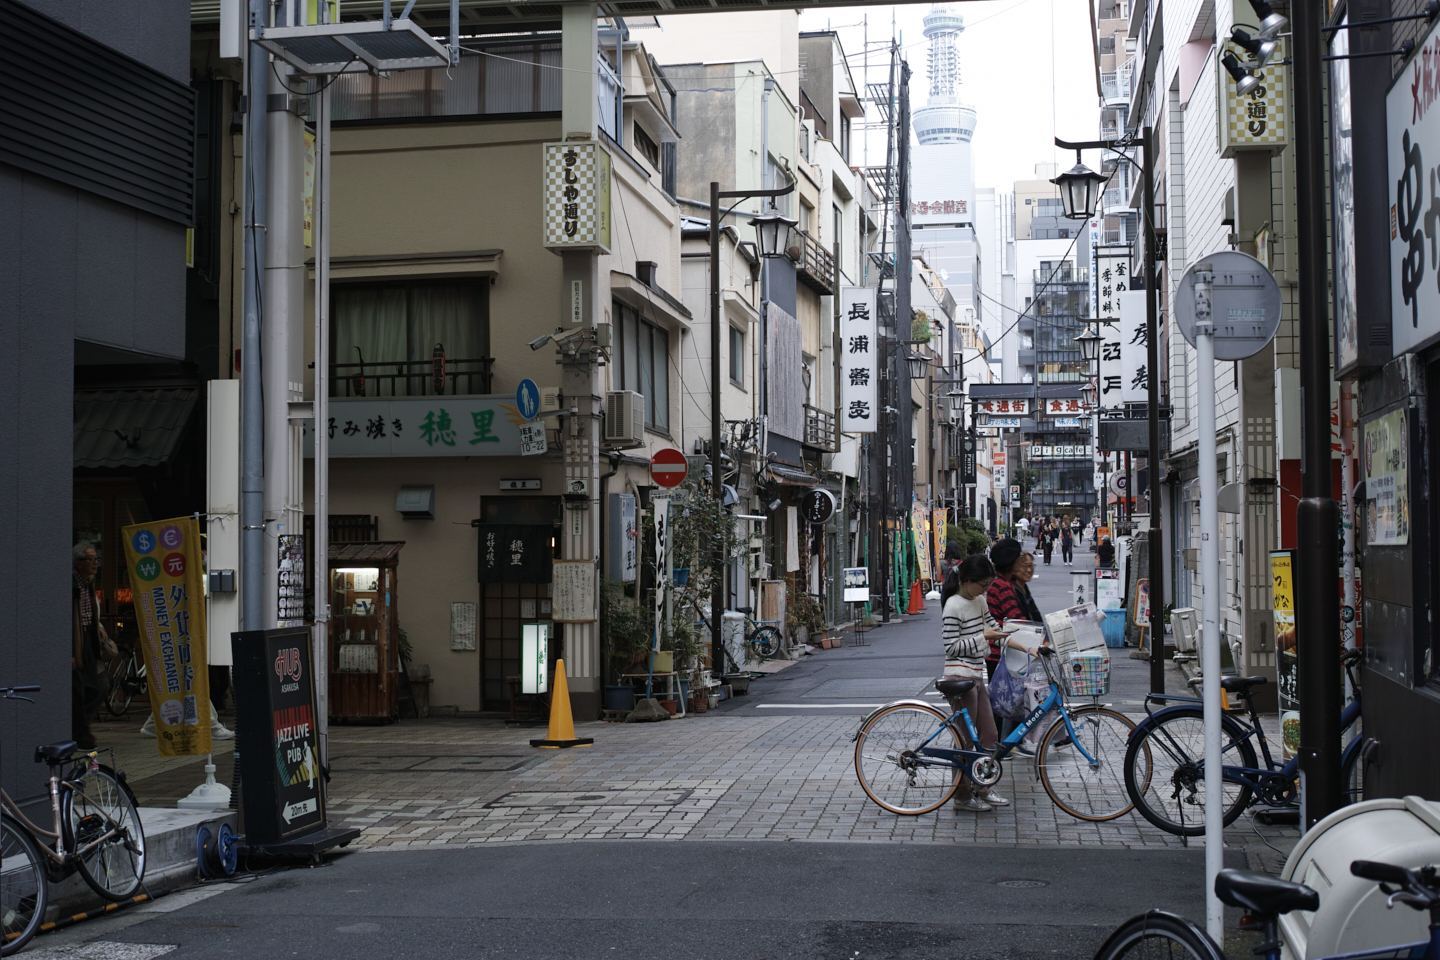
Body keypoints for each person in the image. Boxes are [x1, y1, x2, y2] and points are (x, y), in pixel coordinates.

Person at [941, 556, 1041, 813]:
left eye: (987, 584)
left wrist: (1031, 649)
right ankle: (962, 796)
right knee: (964, 740)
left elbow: (997, 632)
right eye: (982, 585)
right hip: (959, 677)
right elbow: (951, 647)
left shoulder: (979, 600)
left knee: (989, 735)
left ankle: (982, 787)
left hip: (975, 676)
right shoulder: (953, 606)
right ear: (966, 581)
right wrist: (982, 636)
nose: (985, 590)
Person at [72, 542, 114, 749]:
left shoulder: (88, 583)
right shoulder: (71, 584)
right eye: (91, 559)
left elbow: (91, 611)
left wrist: (97, 625)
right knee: (78, 689)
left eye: (97, 559)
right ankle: (78, 732)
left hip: (90, 639)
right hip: (76, 641)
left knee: (100, 685)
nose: (95, 563)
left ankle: (81, 726)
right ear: (79, 563)